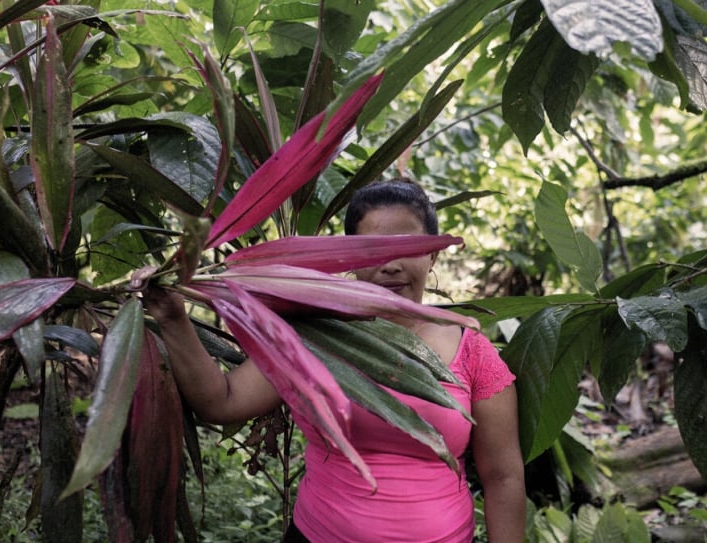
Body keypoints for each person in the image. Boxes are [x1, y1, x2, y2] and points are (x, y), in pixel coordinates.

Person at [144, 178, 526, 542]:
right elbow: (223, 400)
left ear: (433, 254)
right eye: (372, 249)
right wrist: (173, 318)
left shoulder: (471, 349)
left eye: (406, 247)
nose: (389, 264)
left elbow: (503, 476)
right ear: (348, 256)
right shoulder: (316, 336)